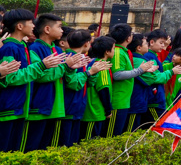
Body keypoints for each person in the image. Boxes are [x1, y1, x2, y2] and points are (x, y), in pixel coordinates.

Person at [1, 10, 66, 152]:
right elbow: (11, 78)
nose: (33, 26)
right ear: (19, 26)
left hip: (19, 107)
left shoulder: (22, 46)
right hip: (9, 108)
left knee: (14, 152)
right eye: (30, 22)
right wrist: (42, 65)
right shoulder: (10, 48)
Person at [25, 14, 87, 151]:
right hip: (40, 105)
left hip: (56, 106)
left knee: (47, 148)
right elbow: (40, 76)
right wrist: (66, 66)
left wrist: (71, 69)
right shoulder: (35, 49)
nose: (62, 31)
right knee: (32, 147)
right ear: (47, 29)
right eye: (59, 27)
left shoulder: (57, 49)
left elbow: (64, 75)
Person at [108, 24, 157, 137]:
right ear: (128, 38)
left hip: (124, 100)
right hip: (117, 100)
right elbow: (117, 74)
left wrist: (144, 70)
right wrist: (140, 70)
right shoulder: (118, 52)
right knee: (112, 136)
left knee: (119, 135)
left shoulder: (123, 51)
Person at [81, 36, 115, 142]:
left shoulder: (94, 62)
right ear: (107, 51)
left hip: (92, 111)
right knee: (89, 143)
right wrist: (108, 110)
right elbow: (103, 89)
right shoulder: (101, 66)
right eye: (113, 48)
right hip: (94, 112)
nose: (114, 51)